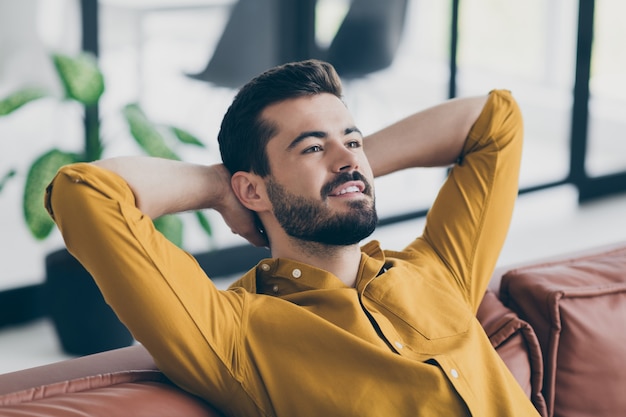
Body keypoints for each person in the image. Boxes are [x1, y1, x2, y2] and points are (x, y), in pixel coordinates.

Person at [45, 59, 539, 416]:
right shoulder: (235, 336)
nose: (346, 156)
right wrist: (223, 187)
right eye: (310, 147)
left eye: (352, 139)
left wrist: (345, 173)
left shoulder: (436, 272)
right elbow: (83, 193)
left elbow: (497, 121)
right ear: (252, 188)